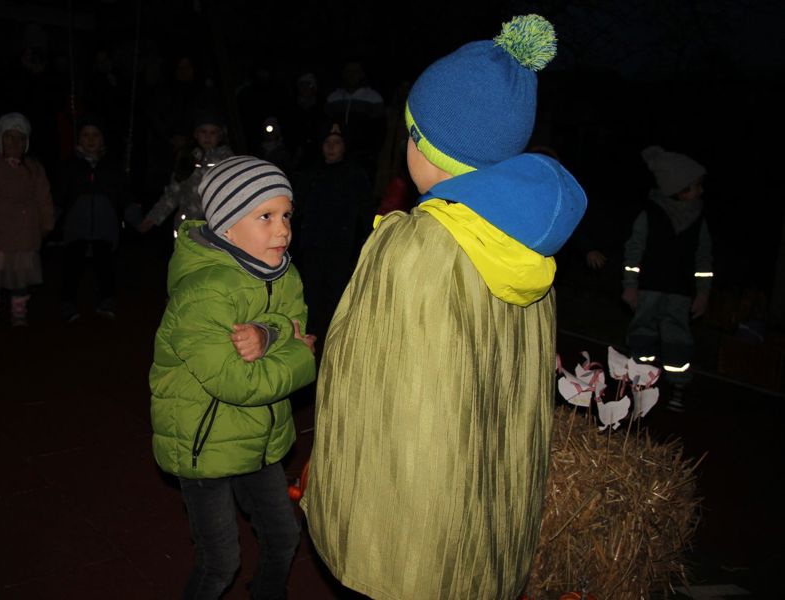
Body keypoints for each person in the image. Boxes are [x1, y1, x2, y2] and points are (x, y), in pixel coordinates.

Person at [301, 15, 586, 599]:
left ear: (426, 146)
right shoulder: (526, 250)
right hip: (477, 528)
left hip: (408, 525)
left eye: (411, 133)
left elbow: (353, 375)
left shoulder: (412, 247)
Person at [148, 156, 318, 599]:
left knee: (284, 537)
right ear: (226, 227)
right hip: (204, 445)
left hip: (260, 438)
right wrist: (301, 356)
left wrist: (267, 332)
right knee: (220, 562)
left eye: (286, 215)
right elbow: (238, 383)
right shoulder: (203, 293)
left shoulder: (284, 273)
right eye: (265, 216)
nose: (282, 230)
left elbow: (294, 323)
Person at [621, 145, 712, 412]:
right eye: (695, 186)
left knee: (677, 341)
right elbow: (633, 253)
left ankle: (678, 386)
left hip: (680, 293)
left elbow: (704, 260)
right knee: (642, 336)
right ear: (679, 189)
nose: (700, 191)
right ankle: (640, 384)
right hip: (648, 290)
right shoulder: (649, 215)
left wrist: (703, 292)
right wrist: (630, 286)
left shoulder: (699, 220)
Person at [0, 112, 54, 326]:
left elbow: (44, 198)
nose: (14, 142)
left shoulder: (34, 168)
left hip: (25, 234)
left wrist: (46, 225)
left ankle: (19, 312)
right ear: (0, 139)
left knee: (20, 277)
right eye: (9, 137)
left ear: (26, 142)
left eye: (20, 138)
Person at [295, 121, 373, 348]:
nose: (331, 147)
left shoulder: (355, 175)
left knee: (335, 300)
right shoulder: (310, 173)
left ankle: (335, 344)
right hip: (312, 249)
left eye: (336, 142)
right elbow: (297, 210)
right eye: (327, 142)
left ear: (345, 146)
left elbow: (366, 213)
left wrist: (364, 244)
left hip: (341, 251)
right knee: (311, 299)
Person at [53, 114, 133, 322]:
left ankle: (107, 299)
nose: (90, 140)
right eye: (85, 135)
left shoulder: (112, 167)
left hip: (105, 227)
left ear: (103, 139)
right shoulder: (70, 166)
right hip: (76, 227)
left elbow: (124, 195)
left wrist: (137, 218)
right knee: (72, 266)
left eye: (95, 135)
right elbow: (60, 195)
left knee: (105, 266)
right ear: (78, 139)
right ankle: (67, 301)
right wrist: (48, 220)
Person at [138, 110, 234, 234]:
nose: (208, 136)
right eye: (203, 131)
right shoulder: (187, 159)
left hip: (216, 228)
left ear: (220, 136)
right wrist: (152, 219)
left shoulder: (228, 161)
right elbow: (173, 194)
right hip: (187, 227)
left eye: (213, 132)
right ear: (196, 134)